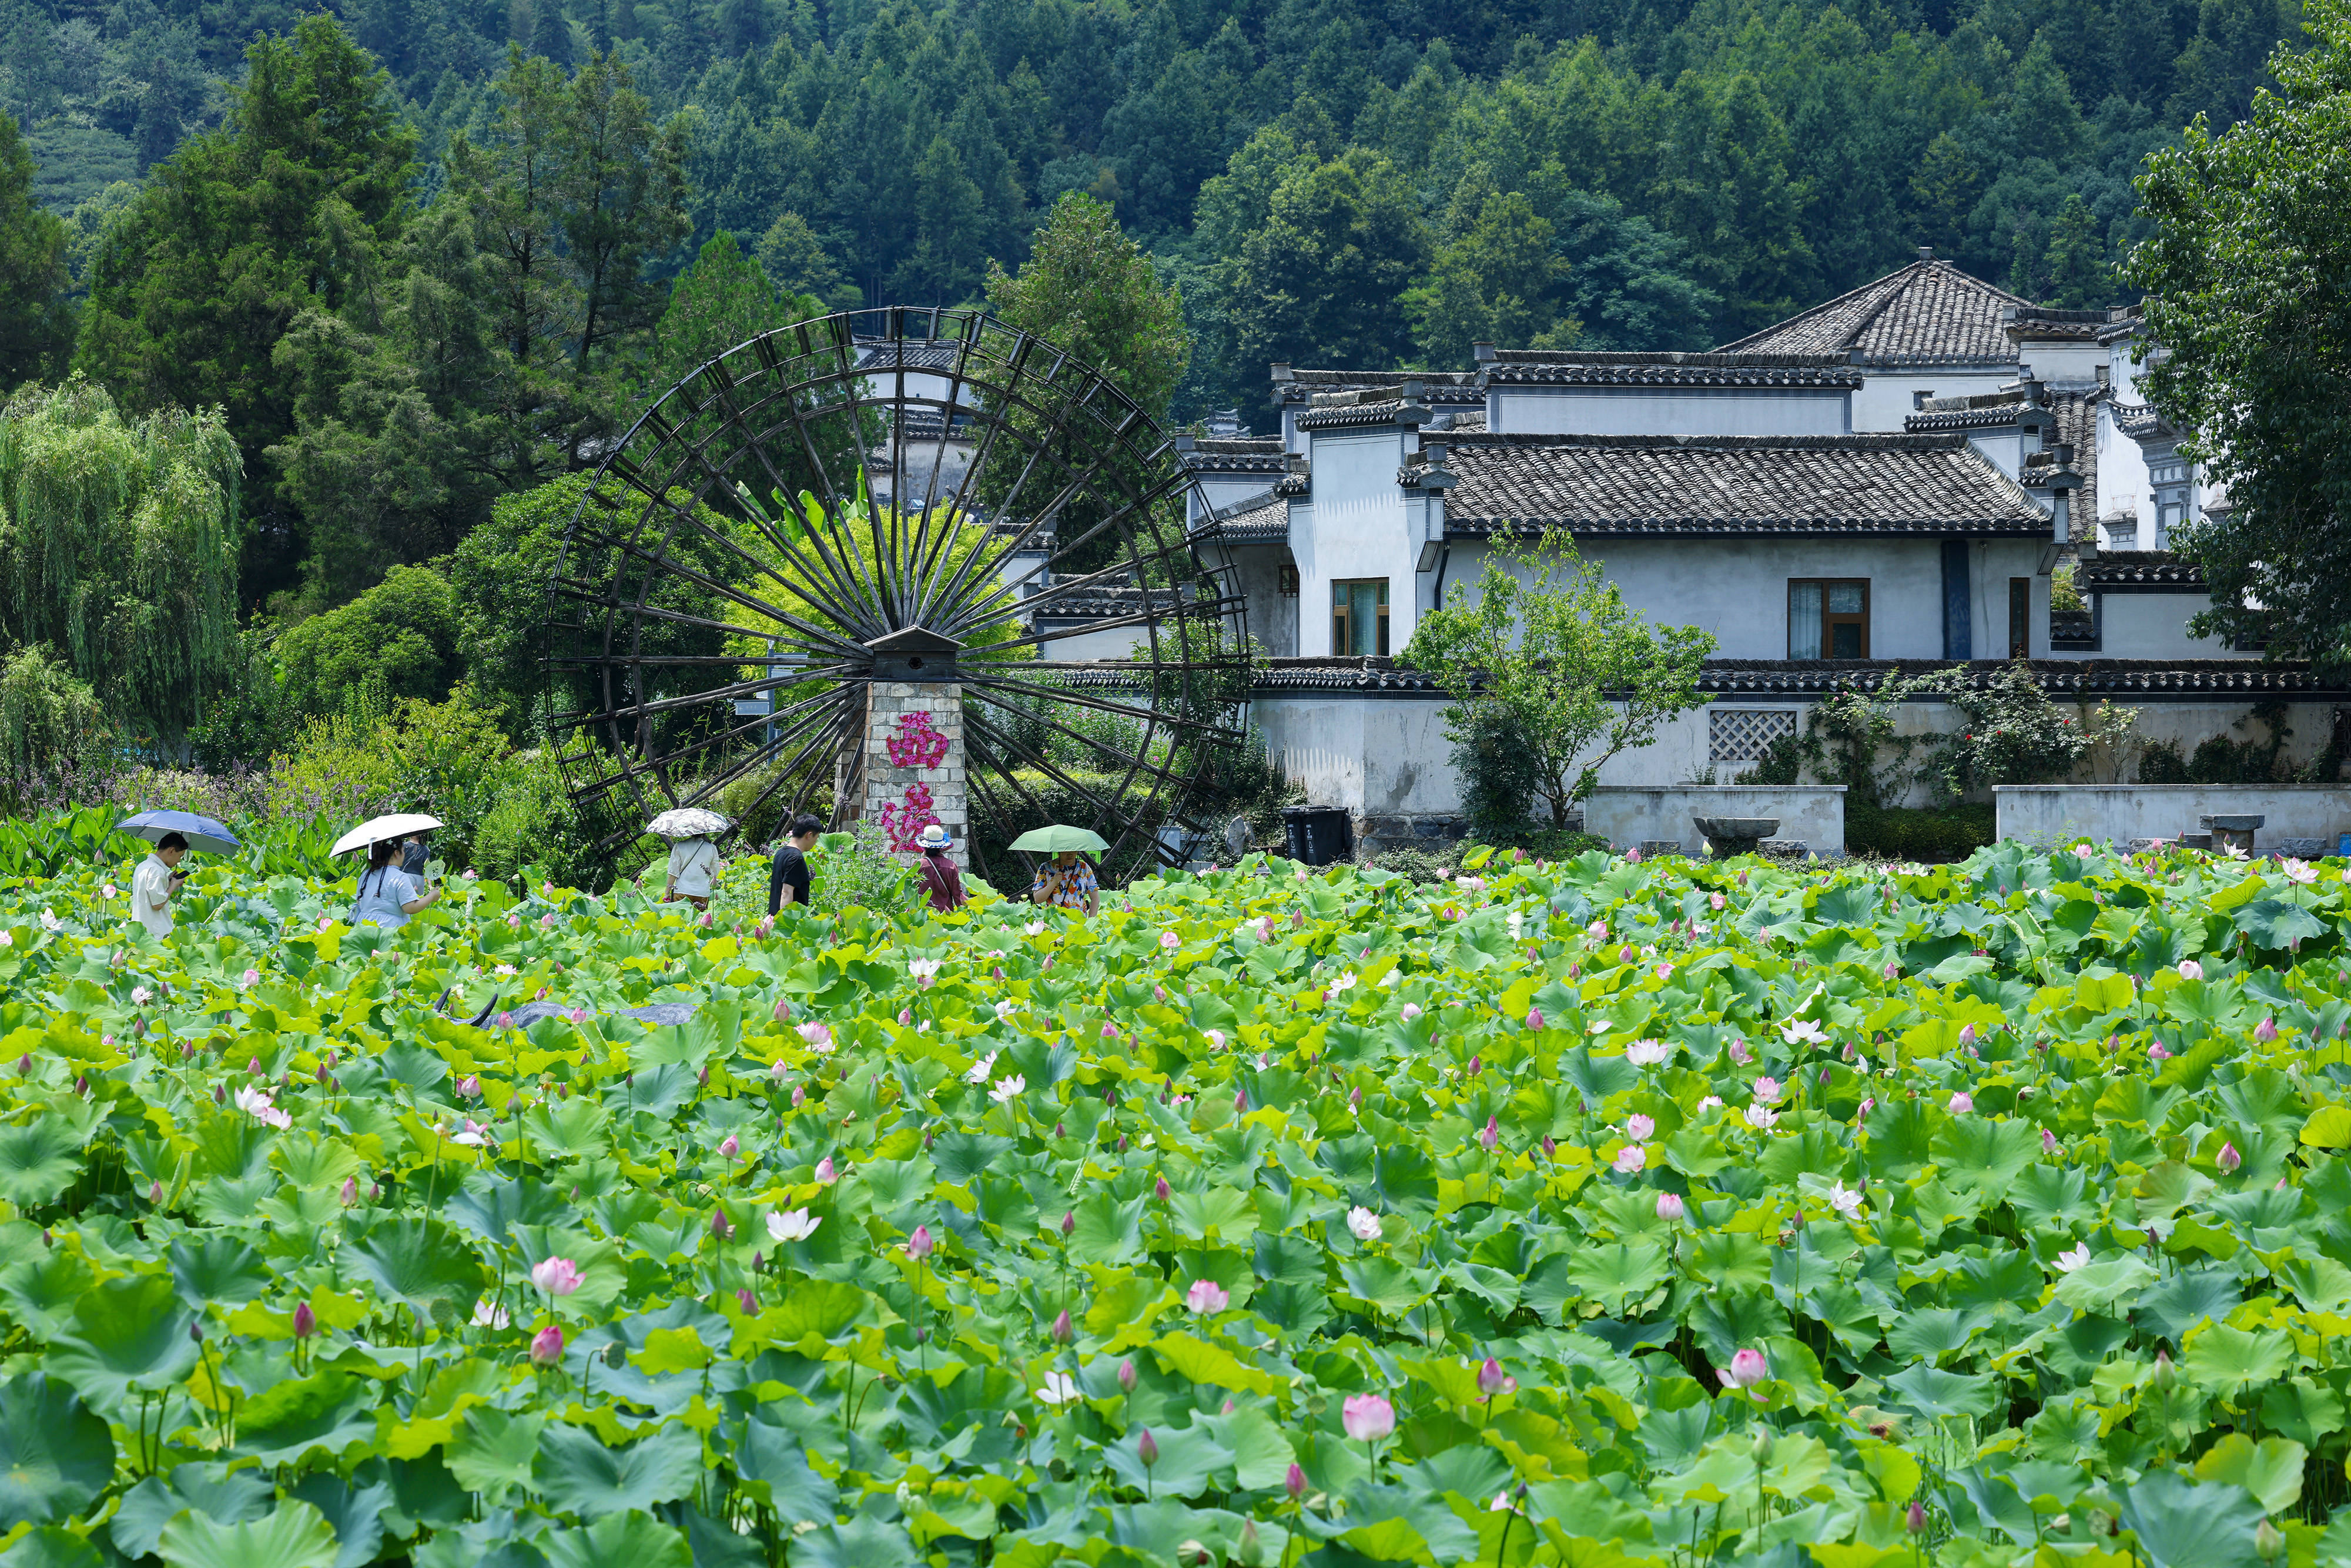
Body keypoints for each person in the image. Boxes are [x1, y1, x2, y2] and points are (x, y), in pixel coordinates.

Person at [352, 839, 440, 930]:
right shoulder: (400, 877)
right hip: (389, 929)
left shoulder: (366, 875)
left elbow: (359, 902)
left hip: (363, 928)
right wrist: (432, 896)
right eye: (403, 851)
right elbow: (411, 908)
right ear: (397, 853)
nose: (405, 854)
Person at [131, 832, 190, 939]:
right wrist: (173, 885)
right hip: (156, 933)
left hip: (141, 931)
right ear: (171, 851)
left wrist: (168, 881)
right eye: (180, 856)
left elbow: (149, 894)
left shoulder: (143, 866)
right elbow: (157, 904)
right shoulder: (156, 870)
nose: (178, 861)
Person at [768, 814, 822, 914]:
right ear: (809, 835)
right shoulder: (796, 858)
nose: (816, 842)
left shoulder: (780, 853)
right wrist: (785, 920)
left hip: (773, 917)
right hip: (789, 921)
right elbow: (786, 893)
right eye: (817, 837)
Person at [913, 823, 966, 913]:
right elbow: (957, 895)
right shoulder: (951, 866)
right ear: (941, 848)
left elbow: (912, 891)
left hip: (923, 915)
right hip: (945, 914)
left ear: (925, 846)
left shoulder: (919, 865)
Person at [1030, 849, 1099, 914]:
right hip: (1053, 920)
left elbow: (1095, 898)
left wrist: (1091, 920)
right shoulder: (1046, 868)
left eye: (1073, 850)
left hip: (1078, 921)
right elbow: (1038, 899)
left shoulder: (1084, 868)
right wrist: (1054, 882)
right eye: (1066, 850)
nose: (1070, 854)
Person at [664, 832, 719, 910]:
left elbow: (673, 873)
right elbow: (715, 873)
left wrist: (667, 893)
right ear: (704, 832)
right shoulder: (712, 848)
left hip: (682, 891)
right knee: (700, 918)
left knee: (682, 917)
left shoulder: (679, 846)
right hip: (702, 892)